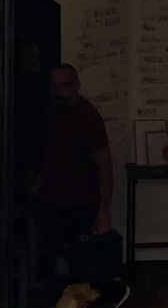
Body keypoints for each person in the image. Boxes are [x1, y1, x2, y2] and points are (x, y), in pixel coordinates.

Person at [32, 64, 113, 288]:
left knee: (75, 270)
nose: (60, 92)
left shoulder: (88, 117)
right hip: (53, 203)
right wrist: (39, 181)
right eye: (55, 86)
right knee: (56, 267)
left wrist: (104, 212)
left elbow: (105, 164)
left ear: (77, 86)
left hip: (80, 206)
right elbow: (55, 154)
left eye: (66, 85)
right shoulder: (52, 113)